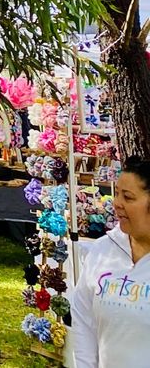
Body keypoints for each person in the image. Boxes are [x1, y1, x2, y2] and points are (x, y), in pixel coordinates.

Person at [72, 155, 150, 367]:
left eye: (128, 197)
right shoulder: (102, 251)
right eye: (116, 194)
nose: (117, 203)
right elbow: (83, 322)